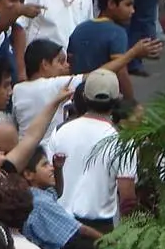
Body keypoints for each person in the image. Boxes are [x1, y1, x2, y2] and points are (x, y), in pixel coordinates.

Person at [52, 70, 136, 233]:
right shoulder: (123, 141)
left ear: (83, 97)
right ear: (118, 99)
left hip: (60, 224)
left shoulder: (60, 131)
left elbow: (48, 179)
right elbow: (127, 197)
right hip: (99, 229)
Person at [67, 0, 160, 98]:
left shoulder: (79, 29)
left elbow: (70, 64)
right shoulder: (117, 33)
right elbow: (121, 72)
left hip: (76, 95)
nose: (132, 10)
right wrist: (131, 104)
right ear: (111, 4)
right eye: (128, 4)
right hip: (102, 98)